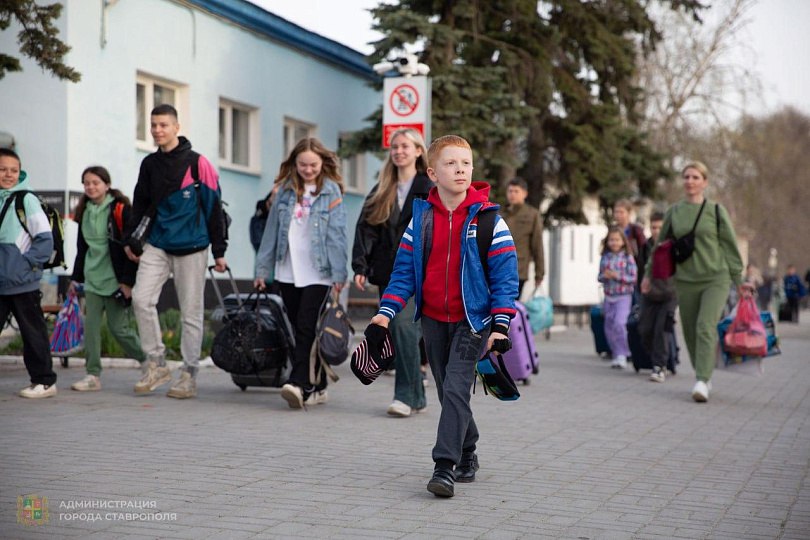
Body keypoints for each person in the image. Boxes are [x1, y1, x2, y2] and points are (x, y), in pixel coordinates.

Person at [369, 135, 519, 498]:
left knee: (455, 387)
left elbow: (505, 277)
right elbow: (403, 273)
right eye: (452, 164)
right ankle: (468, 448)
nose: (461, 170)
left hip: (474, 321)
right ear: (433, 173)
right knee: (445, 390)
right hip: (433, 319)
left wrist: (500, 325)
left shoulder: (489, 221)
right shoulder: (420, 221)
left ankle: (444, 466)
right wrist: (385, 314)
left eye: (466, 163)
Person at [123, 104, 228, 399]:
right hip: (157, 244)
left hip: (193, 247)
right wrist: (133, 241)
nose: (157, 130)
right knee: (141, 300)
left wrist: (219, 250)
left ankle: (188, 374)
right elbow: (140, 204)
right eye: (154, 125)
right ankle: (156, 364)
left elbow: (214, 208)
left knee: (191, 314)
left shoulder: (198, 164)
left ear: (177, 127)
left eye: (163, 125)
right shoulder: (149, 164)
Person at [642, 161, 749, 403]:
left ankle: (702, 379)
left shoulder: (716, 211)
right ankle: (704, 373)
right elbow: (659, 248)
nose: (690, 181)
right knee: (690, 331)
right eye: (686, 177)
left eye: (695, 177)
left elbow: (730, 248)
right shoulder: (675, 212)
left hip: (715, 278)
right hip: (686, 280)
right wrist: (649, 274)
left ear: (705, 182)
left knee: (704, 326)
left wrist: (739, 281)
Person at [254, 137, 348, 409]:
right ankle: (318, 384)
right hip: (287, 270)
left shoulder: (331, 191)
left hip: (319, 272)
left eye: (313, 165)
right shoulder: (284, 191)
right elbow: (271, 232)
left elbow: (338, 235)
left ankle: (298, 383)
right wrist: (263, 269)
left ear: (323, 163)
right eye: (303, 164)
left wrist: (340, 274)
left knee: (307, 325)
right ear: (294, 164)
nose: (308, 170)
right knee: (299, 327)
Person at [352, 128, 431, 417]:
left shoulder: (429, 187)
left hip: (420, 271)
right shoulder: (382, 187)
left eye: (405, 146)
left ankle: (404, 396)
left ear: (418, 151)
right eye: (394, 147)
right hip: (388, 271)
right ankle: (417, 396)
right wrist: (360, 265)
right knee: (399, 331)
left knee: (402, 326)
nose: (398, 151)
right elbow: (366, 228)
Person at [69, 166, 146, 391]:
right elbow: (82, 248)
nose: (91, 187)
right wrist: (75, 279)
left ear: (107, 185)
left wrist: (128, 282)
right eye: (87, 183)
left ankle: (149, 362)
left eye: (96, 182)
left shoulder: (121, 209)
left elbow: (131, 249)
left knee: (119, 328)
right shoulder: (83, 210)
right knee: (91, 328)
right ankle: (92, 375)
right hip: (92, 279)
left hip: (116, 279)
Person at [0, 148, 57, 398]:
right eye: (3, 169)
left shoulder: (26, 200)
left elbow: (45, 240)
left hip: (22, 282)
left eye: (13, 170)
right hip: (1, 281)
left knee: (33, 333)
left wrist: (25, 266)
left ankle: (44, 382)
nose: (8, 174)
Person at [637, 212, 677, 382]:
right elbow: (641, 271)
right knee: (645, 329)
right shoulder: (646, 247)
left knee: (662, 329)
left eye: (660, 227)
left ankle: (659, 366)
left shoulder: (673, 247)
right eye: (653, 227)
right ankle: (663, 358)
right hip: (649, 294)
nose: (657, 231)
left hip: (670, 295)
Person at [598, 226, 637, 370]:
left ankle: (623, 353)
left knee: (619, 324)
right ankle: (615, 353)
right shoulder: (605, 257)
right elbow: (599, 276)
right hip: (609, 296)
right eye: (611, 240)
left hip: (623, 296)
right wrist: (605, 276)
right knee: (609, 326)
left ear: (623, 241)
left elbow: (633, 278)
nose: (614, 243)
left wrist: (617, 276)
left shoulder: (628, 257)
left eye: (617, 240)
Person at [501, 177, 545, 298]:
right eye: (510, 191)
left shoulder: (532, 215)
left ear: (524, 194)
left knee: (511, 305)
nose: (512, 194)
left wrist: (539, 274)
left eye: (516, 191)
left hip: (519, 269)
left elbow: (537, 245)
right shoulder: (500, 213)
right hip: (498, 267)